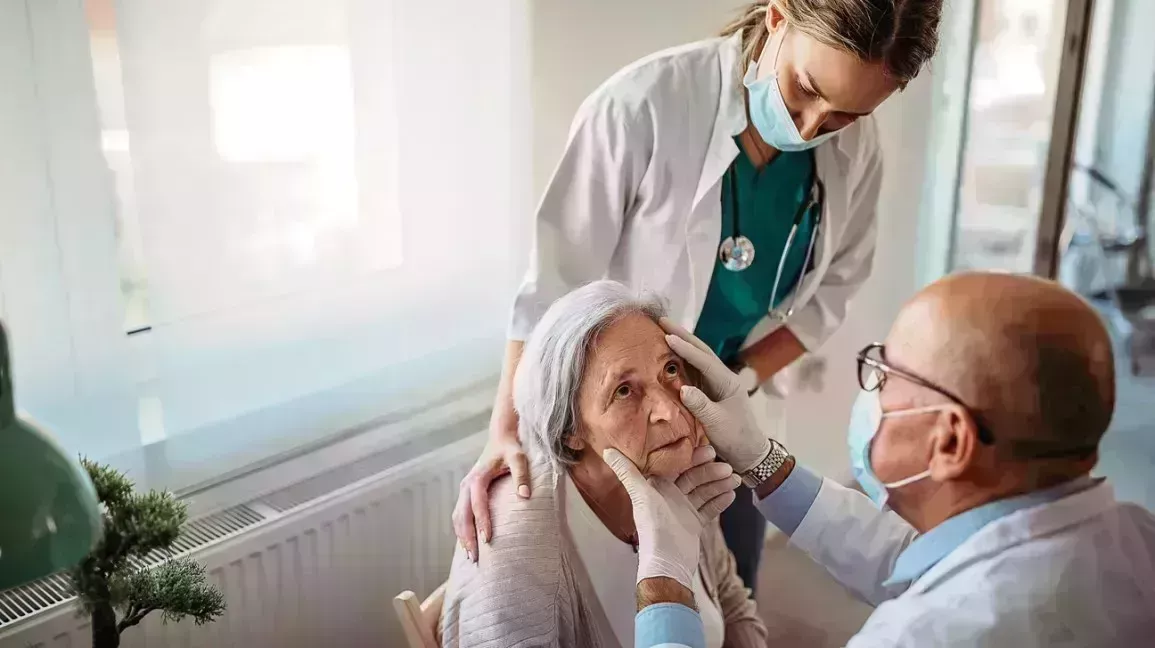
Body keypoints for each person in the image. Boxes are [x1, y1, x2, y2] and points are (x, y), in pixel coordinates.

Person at [455, 0, 946, 593]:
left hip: (728, 420)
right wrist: (504, 428)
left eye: (844, 116)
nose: (812, 126)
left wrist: (734, 380)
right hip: (621, 422)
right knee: (603, 600)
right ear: (775, 17)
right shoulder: (641, 108)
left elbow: (834, 289)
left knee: (729, 592)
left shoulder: (856, 151)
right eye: (805, 88)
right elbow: (552, 284)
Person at [637, 272, 1155, 646]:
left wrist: (666, 586)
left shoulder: (925, 635)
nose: (871, 392)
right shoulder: (1137, 540)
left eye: (885, 375)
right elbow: (910, 559)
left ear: (950, 442)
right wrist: (760, 459)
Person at [439, 281, 766, 648]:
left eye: (670, 369)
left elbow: (734, 608)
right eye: (624, 391)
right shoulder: (518, 547)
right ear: (570, 431)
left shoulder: (679, 470)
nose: (670, 409)